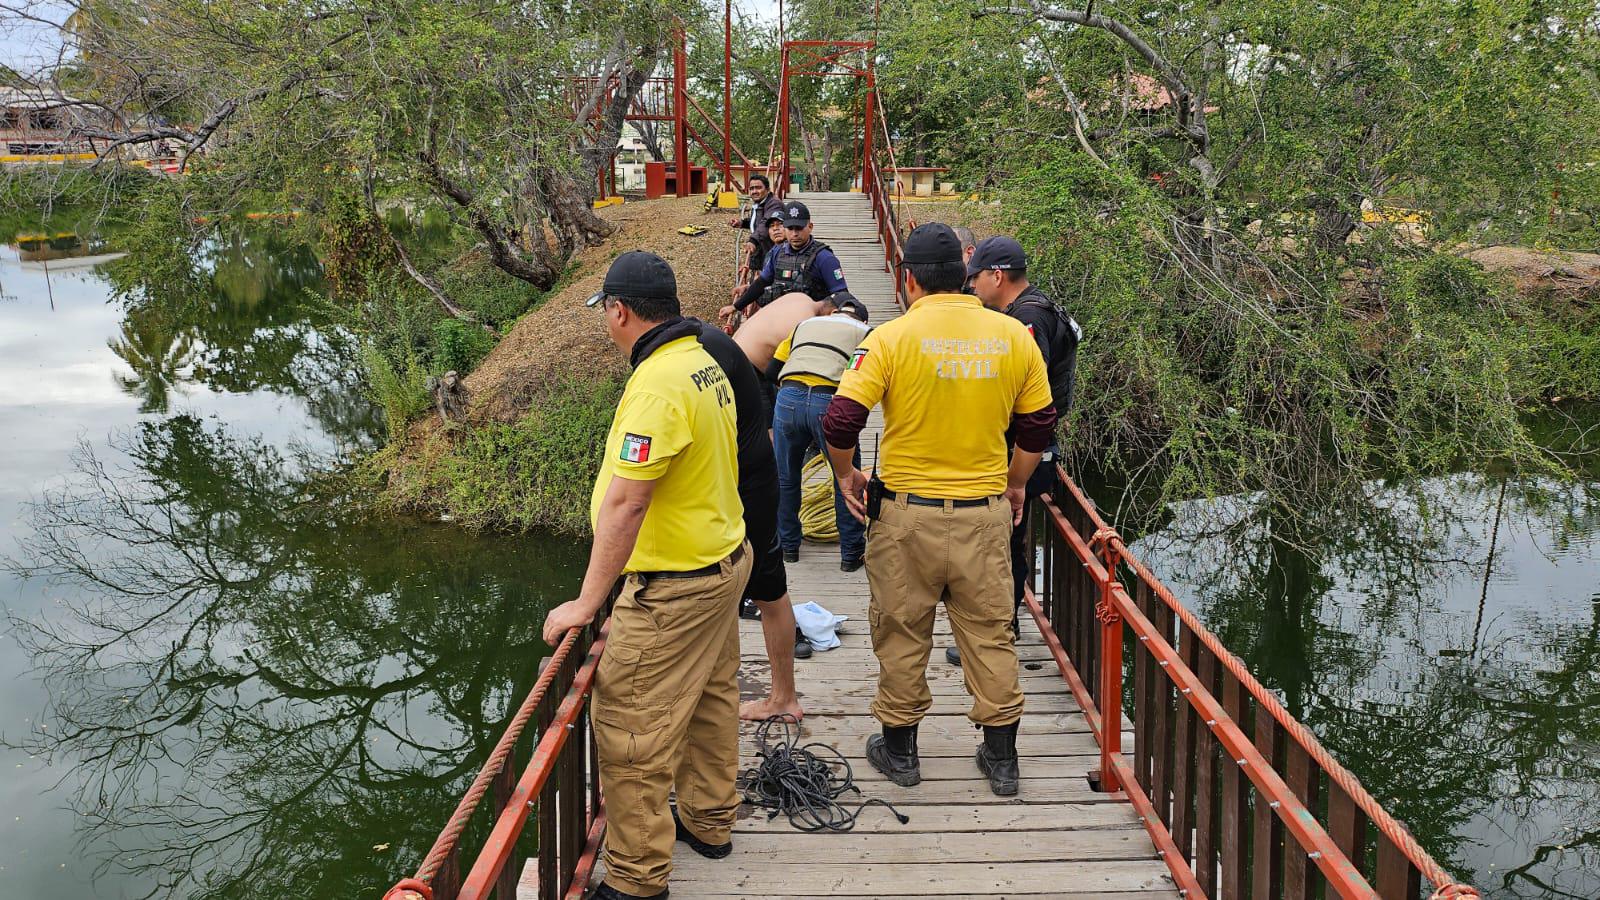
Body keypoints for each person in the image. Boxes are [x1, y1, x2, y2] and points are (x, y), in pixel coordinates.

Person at [542, 251, 752, 900]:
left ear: (620, 310)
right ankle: (709, 821)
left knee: (631, 728)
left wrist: (587, 601)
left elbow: (629, 502)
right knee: (713, 702)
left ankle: (636, 881)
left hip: (673, 589)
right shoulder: (701, 362)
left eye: (606, 312)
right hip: (722, 564)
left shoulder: (659, 383)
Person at [820, 223, 1056, 798]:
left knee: (902, 631)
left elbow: (841, 421)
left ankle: (900, 753)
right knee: (991, 635)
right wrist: (1016, 483)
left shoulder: (889, 339)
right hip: (983, 513)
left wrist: (847, 474)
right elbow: (1038, 425)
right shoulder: (1013, 336)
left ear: (910, 278)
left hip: (905, 517)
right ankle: (1002, 760)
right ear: (964, 272)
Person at [943, 236, 1083, 666]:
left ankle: (999, 629)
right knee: (1005, 540)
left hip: (1021, 452)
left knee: (1000, 544)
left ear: (996, 276)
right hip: (1033, 447)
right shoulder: (1038, 306)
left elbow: (1026, 392)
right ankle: (1001, 623)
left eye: (974, 279)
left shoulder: (1025, 322)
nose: (971, 288)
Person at [692, 319, 812, 720]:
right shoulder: (712, 342)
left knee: (753, 589)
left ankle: (778, 698)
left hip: (744, 488)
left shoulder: (693, 357)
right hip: (757, 474)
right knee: (769, 590)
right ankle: (783, 696)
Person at [768, 292, 871, 569]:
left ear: (833, 312)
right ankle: (851, 554)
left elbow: (772, 369)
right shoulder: (866, 332)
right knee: (846, 478)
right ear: (860, 318)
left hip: (788, 399)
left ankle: (788, 547)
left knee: (786, 478)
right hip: (830, 402)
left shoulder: (804, 325)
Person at [729, 291, 837, 433]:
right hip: (746, 366)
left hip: (737, 350)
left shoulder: (800, 297)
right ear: (832, 313)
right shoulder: (806, 324)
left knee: (776, 415)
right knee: (767, 427)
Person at [721, 200, 848, 321]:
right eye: (790, 228)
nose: (794, 234)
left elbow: (841, 296)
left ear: (810, 227)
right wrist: (735, 307)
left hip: (811, 323)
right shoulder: (777, 252)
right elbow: (761, 283)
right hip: (779, 320)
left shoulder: (825, 258)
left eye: (799, 228)